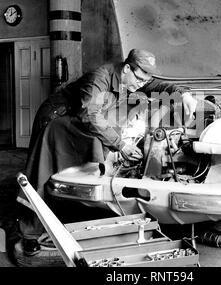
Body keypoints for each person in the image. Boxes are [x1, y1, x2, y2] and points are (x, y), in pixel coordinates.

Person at [16, 49, 198, 256]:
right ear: (127, 68)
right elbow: (90, 115)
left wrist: (185, 95)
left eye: (144, 81)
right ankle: (29, 232)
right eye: (138, 79)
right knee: (41, 169)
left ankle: (70, 211)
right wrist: (121, 145)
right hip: (57, 119)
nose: (140, 85)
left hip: (80, 122)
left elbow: (160, 86)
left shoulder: (136, 78)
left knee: (83, 167)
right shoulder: (99, 78)